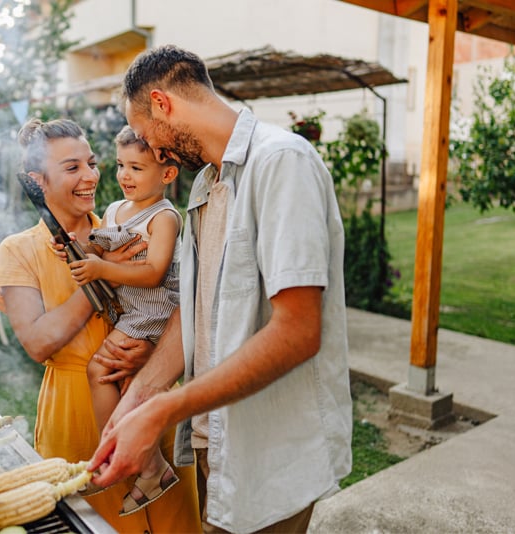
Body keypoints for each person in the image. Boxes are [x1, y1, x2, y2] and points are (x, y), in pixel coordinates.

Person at [88, 45, 353, 533]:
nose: (156, 153)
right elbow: (197, 310)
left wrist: (166, 407)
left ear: (162, 103)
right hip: (218, 444)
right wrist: (140, 397)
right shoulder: (205, 184)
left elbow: (297, 331)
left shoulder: (281, 162)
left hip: (273, 453)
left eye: (148, 136)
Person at [0, 117, 201, 533]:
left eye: (92, 162)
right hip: (78, 415)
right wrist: (99, 276)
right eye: (71, 168)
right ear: (37, 181)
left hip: (150, 397)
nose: (91, 177)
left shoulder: (128, 225)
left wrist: (154, 350)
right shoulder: (19, 251)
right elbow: (38, 342)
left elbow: (175, 299)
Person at [68, 125, 182, 516]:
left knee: (99, 369)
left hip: (151, 311)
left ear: (167, 174)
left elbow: (153, 272)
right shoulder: (116, 209)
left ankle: (117, 451)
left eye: (136, 167)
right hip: (127, 310)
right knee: (127, 382)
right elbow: (101, 244)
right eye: (120, 165)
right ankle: (151, 468)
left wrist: (100, 269)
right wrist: (76, 247)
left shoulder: (164, 217)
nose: (124, 176)